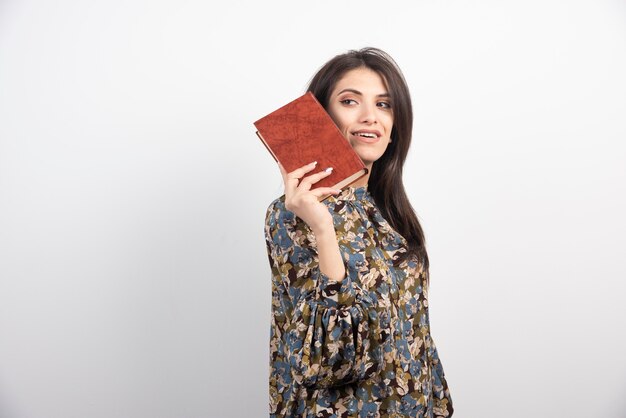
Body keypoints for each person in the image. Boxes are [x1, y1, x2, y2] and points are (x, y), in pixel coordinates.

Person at [264, 47, 454, 417]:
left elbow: (416, 338)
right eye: (350, 101)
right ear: (322, 115)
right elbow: (329, 359)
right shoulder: (293, 216)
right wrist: (322, 227)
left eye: (384, 105)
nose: (371, 117)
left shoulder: (390, 212)